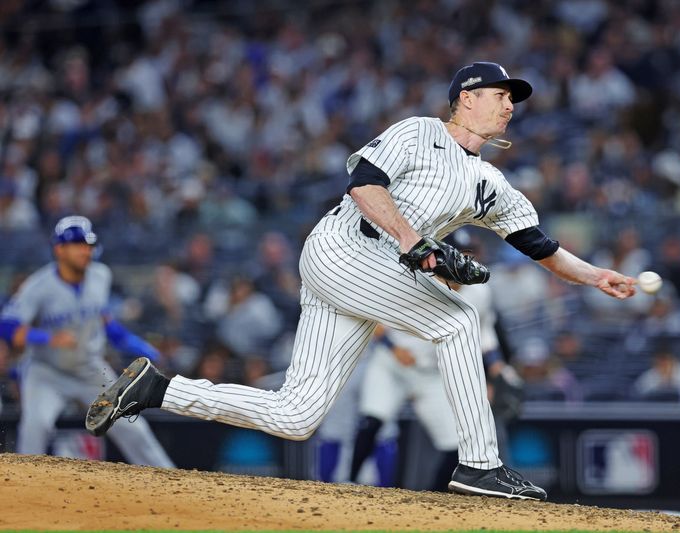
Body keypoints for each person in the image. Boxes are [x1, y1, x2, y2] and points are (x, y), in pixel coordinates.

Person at [86, 62, 636, 500]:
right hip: (344, 250)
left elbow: (540, 246)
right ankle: (480, 466)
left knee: (297, 415)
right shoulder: (420, 133)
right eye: (500, 93)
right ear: (466, 97)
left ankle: (158, 389)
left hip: (368, 277)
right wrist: (412, 240)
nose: (510, 103)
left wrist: (597, 276)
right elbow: (363, 184)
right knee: (460, 321)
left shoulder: (489, 182)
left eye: (513, 98)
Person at [0, 215, 173, 467]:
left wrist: (144, 349)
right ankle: (18, 496)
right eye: (79, 245)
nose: (86, 251)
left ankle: (170, 480)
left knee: (133, 428)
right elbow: (7, 326)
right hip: (46, 371)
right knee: (35, 427)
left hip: (90, 369)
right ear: (59, 249)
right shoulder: (38, 286)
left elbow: (107, 324)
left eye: (89, 245)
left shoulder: (100, 276)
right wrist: (48, 338)